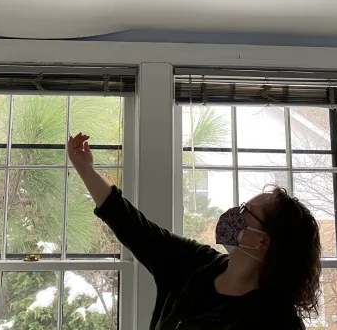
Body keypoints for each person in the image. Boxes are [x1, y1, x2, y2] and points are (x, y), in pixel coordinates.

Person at [68, 132, 322, 330]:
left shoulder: (278, 322)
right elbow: (134, 227)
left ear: (263, 242)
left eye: (246, 210)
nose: (235, 212)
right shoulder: (194, 264)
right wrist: (86, 170)